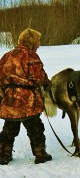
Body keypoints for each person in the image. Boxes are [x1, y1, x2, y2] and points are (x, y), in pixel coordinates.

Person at [0, 28, 52, 165]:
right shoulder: (31, 56)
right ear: (31, 42)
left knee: (9, 129)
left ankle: (3, 155)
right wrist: (47, 83)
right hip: (28, 101)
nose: (39, 45)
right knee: (36, 128)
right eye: (38, 42)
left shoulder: (6, 56)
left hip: (10, 100)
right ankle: (41, 154)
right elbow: (38, 77)